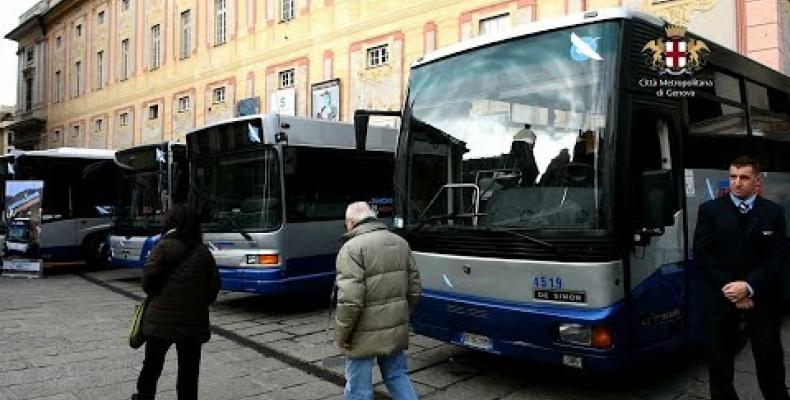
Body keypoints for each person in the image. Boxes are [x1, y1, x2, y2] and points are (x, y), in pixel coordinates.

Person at [693, 156, 788, 400]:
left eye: (744, 177)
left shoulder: (774, 213)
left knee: (771, 365)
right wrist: (732, 290)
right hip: (721, 301)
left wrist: (748, 287)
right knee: (720, 369)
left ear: (757, 181)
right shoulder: (710, 211)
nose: (737, 182)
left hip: (762, 302)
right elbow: (703, 255)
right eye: (733, 176)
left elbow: (776, 259)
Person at [132, 204, 220, 400]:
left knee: (152, 365)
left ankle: (144, 396)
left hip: (159, 323)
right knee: (189, 371)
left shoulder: (162, 246)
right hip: (192, 324)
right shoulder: (203, 252)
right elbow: (213, 289)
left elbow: (147, 283)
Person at [335, 202, 422, 400]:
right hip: (395, 327)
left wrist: (342, 335)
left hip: (362, 333)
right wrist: (401, 315)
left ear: (351, 222)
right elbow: (415, 288)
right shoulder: (400, 242)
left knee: (359, 388)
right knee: (397, 375)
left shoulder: (351, 248)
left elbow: (350, 300)